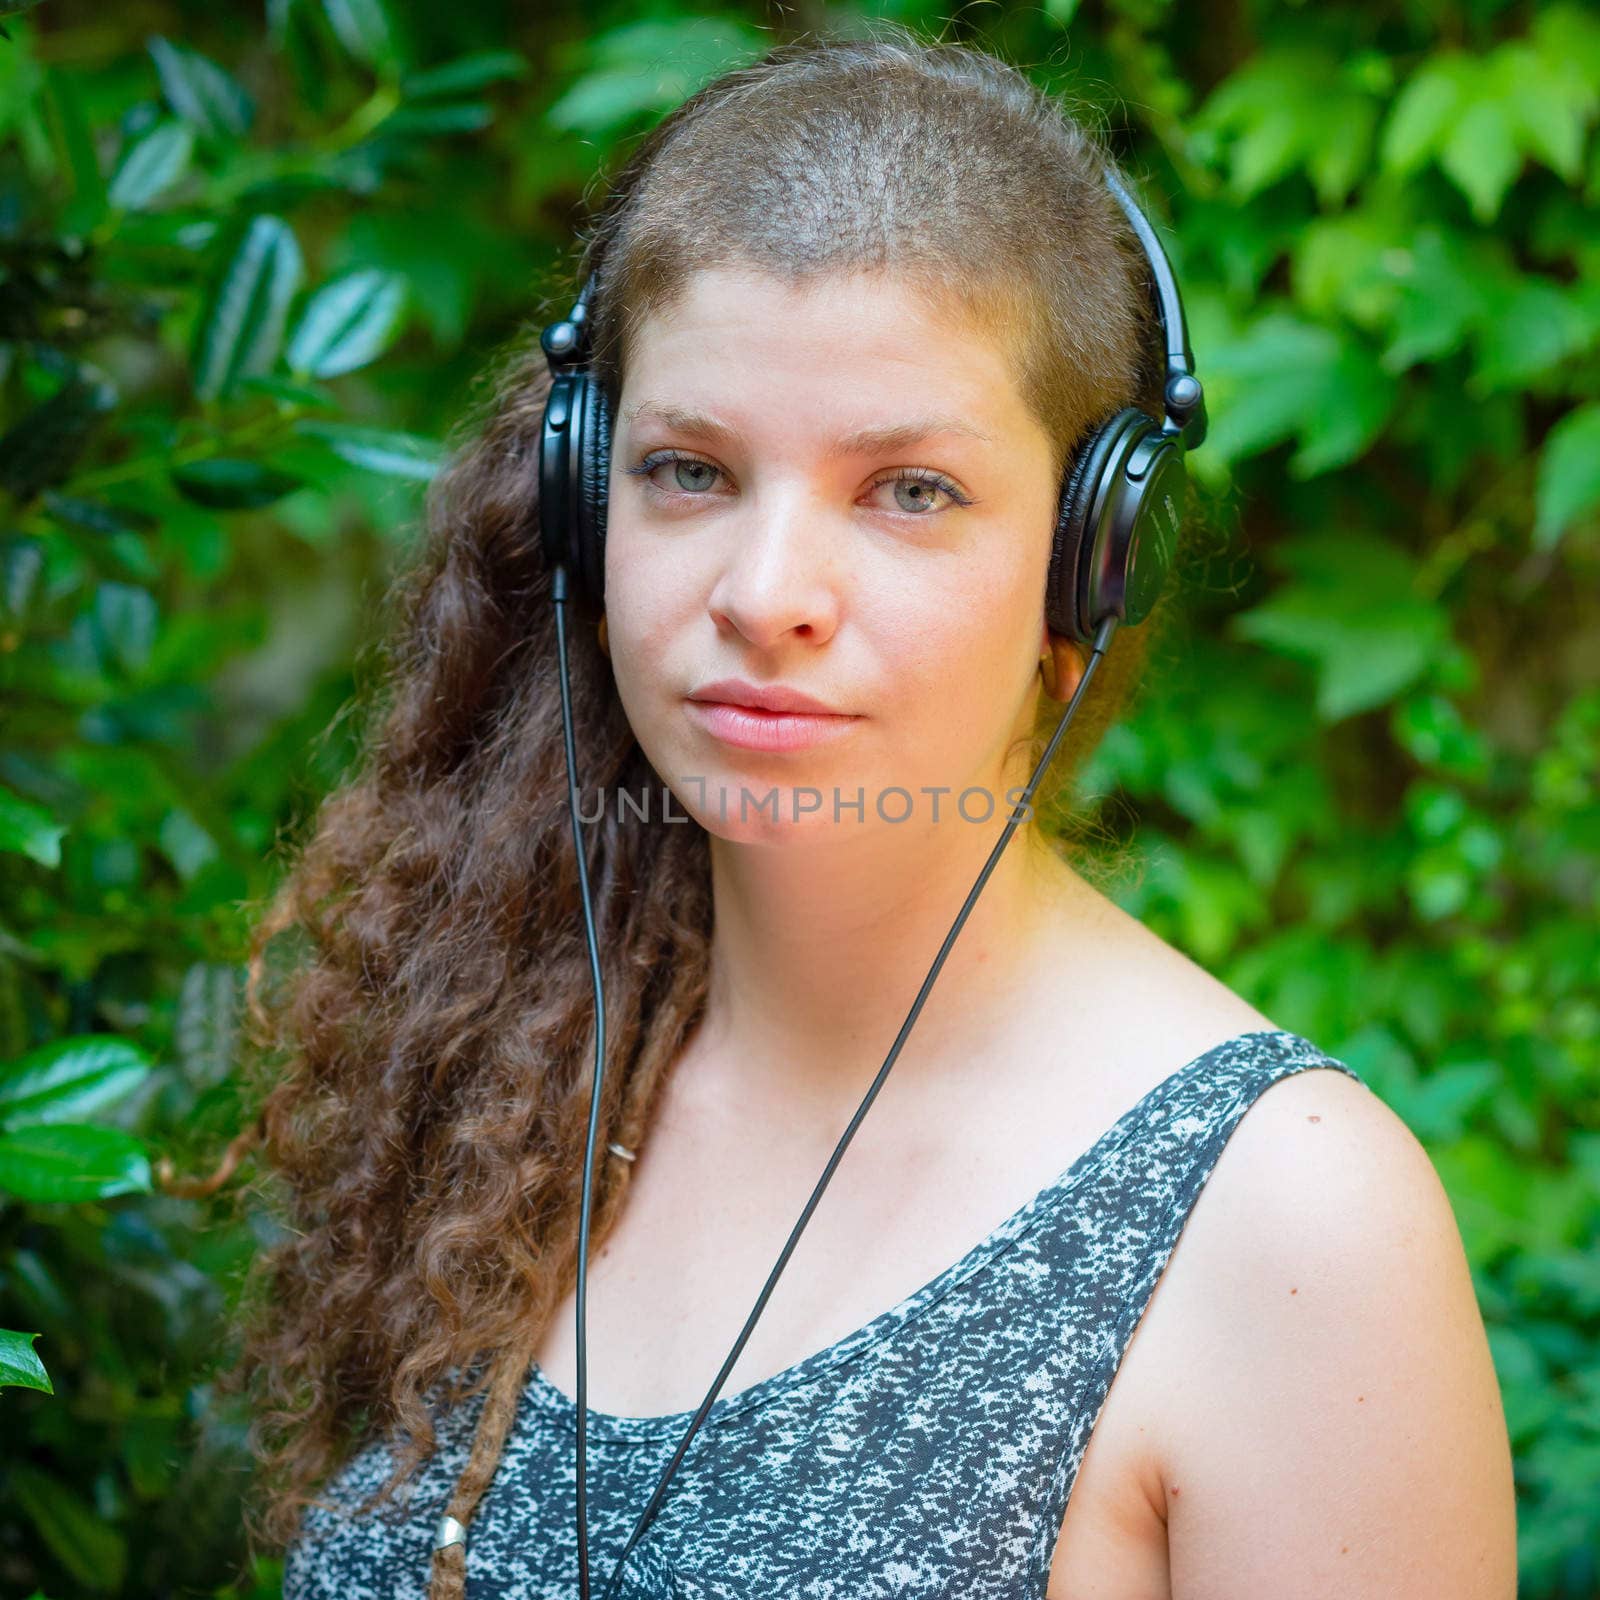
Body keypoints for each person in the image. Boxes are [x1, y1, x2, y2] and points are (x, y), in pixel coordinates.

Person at [198, 26, 1517, 1600]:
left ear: (1090, 560)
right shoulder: (504, 1057)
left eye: (909, 491)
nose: (765, 598)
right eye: (688, 471)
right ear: (579, 498)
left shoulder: (1291, 1226)